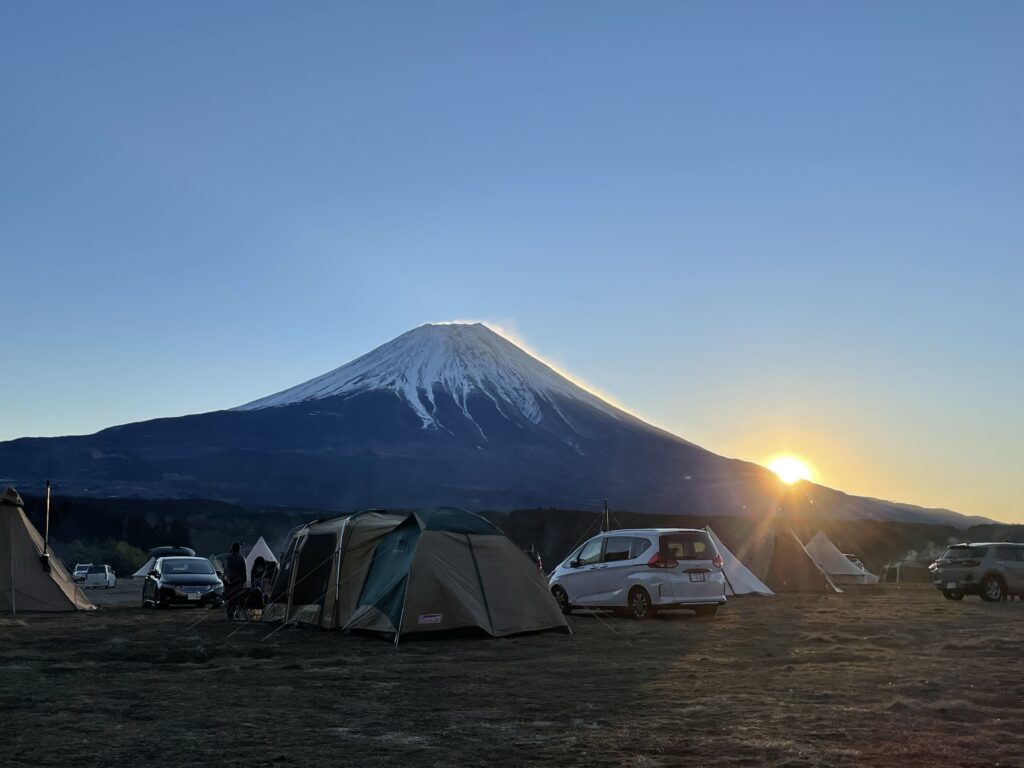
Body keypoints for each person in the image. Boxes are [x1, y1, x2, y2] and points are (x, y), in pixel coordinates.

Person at [223, 542, 247, 618]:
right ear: (239, 549)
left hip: (228, 580)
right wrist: (244, 580)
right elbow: (243, 570)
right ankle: (235, 612)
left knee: (230, 596)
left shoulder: (227, 558)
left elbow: (225, 569)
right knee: (236, 596)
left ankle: (229, 612)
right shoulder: (240, 558)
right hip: (237, 580)